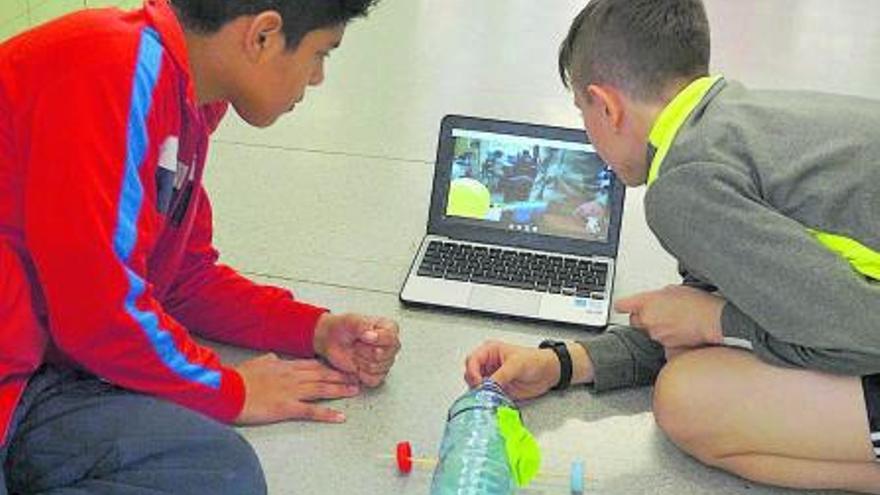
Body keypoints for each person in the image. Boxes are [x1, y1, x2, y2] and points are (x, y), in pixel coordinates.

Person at [465, 0, 880, 492]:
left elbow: (862, 331)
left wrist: (714, 321)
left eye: (583, 113)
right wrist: (563, 363)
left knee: (688, 398)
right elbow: (734, 302)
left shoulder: (682, 185)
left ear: (608, 106)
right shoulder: (732, 124)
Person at [0, 0, 401, 493]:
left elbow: (179, 277)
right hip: (25, 371)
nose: (317, 78)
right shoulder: (112, 68)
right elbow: (100, 316)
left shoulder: (187, 97)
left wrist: (313, 330)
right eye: (321, 53)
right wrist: (231, 389)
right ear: (262, 37)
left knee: (222, 472)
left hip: (35, 378)